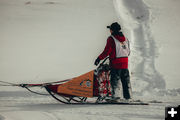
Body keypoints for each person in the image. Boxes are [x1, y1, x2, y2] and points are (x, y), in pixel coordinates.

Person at [94, 22, 132, 100]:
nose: (110, 31)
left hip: (116, 64)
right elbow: (128, 52)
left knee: (115, 81)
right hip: (125, 63)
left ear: (113, 30)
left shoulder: (111, 38)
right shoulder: (125, 39)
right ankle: (128, 97)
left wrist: (99, 58)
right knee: (125, 81)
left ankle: (115, 96)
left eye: (110, 29)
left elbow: (107, 51)